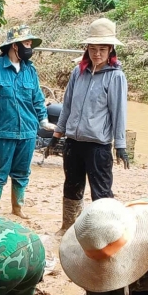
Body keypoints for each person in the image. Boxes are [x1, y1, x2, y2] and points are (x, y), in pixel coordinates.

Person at [54, 18, 129, 233]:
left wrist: (120, 145)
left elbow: (119, 112)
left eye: (102, 49)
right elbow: (67, 106)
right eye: (93, 49)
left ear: (110, 50)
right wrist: (57, 135)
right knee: (71, 186)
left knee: (102, 192)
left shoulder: (116, 77)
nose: (97, 54)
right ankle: (68, 228)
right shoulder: (78, 73)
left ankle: (102, 233)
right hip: (73, 143)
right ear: (87, 49)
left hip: (98, 146)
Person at [0, 25, 47, 215]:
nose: (29, 48)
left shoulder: (30, 71)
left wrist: (44, 121)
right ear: (14, 46)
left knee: (22, 173)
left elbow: (38, 99)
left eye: (30, 44)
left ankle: (18, 208)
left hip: (27, 131)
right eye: (26, 43)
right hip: (2, 131)